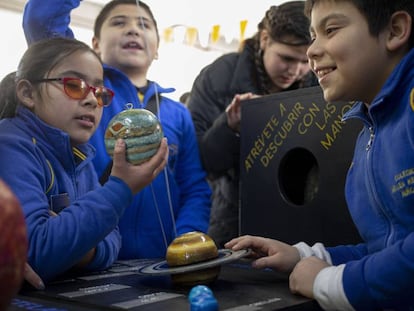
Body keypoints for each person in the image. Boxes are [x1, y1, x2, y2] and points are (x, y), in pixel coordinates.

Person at [226, 0, 414, 310]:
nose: (312, 50)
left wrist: (333, 283)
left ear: (395, 31)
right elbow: (387, 250)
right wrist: (305, 257)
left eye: (331, 29)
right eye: (314, 35)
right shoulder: (368, 131)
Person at [23, 0, 212, 259]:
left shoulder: (178, 114)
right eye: (119, 22)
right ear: (96, 44)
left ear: (157, 48)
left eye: (143, 25)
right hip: (90, 258)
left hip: (165, 263)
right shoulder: (84, 98)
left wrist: (185, 241)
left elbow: (195, 188)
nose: (133, 30)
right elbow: (41, 21)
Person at [0, 37, 168, 282]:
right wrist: (120, 187)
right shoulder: (10, 146)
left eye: (99, 92)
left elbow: (112, 240)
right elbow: (35, 251)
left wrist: (72, 243)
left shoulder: (80, 156)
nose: (91, 100)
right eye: (75, 85)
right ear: (28, 93)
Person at [187, 1, 318, 247]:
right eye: (287, 58)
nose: (296, 70)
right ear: (265, 39)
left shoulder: (316, 78)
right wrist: (229, 128)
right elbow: (201, 161)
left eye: (305, 61)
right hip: (233, 217)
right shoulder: (219, 76)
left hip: (300, 217)